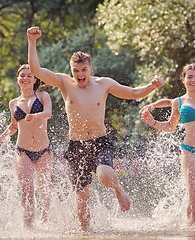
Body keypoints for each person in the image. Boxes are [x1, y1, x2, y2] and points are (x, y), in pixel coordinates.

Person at [27, 26, 163, 231]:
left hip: (100, 142)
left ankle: (118, 189)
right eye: (76, 70)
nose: (80, 74)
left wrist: (151, 86)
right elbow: (36, 71)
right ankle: (86, 233)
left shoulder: (104, 84)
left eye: (83, 70)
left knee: (105, 175)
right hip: (76, 146)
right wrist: (32, 41)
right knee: (81, 199)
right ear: (71, 70)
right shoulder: (65, 83)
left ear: (90, 69)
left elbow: (134, 93)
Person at [140, 64, 195, 226]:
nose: (193, 80)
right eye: (189, 76)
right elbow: (170, 126)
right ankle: (191, 227)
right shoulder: (178, 102)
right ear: (183, 79)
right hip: (190, 151)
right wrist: (152, 122)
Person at [0, 64, 53, 228]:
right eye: (22, 75)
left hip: (44, 150)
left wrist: (35, 115)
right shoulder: (13, 103)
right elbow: (14, 126)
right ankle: (28, 226)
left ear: (35, 79)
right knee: (26, 188)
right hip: (22, 150)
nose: (25, 78)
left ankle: (46, 221)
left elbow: (48, 113)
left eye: (29, 76)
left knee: (43, 188)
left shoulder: (42, 96)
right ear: (18, 79)